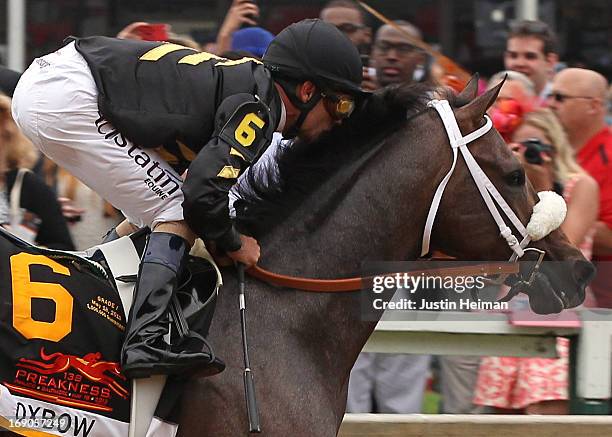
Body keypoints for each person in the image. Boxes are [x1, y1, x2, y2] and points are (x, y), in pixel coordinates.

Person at [11, 19, 367, 378]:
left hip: (55, 83)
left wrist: (213, 232)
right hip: (67, 93)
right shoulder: (260, 110)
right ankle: (144, 340)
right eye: (342, 106)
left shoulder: (245, 87)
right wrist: (233, 241)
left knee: (152, 206)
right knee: (176, 206)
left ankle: (91, 297)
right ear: (307, 91)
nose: (340, 121)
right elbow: (201, 195)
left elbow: (195, 187)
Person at [474, 108, 599, 414]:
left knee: (544, 414)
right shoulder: (507, 198)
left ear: (554, 149)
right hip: (511, 313)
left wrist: (544, 192)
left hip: (558, 313)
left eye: (535, 146)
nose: (527, 155)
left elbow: (559, 256)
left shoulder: (581, 186)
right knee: (500, 419)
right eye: (519, 148)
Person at [547, 68, 612, 307]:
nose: (550, 104)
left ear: (594, 106)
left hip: (602, 310)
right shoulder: (549, 150)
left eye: (560, 98)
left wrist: (569, 223)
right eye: (550, 96)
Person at [0, 93, 76, 250]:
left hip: (18, 272)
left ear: (8, 139)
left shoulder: (29, 186)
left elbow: (63, 248)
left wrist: (26, 250)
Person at [504, 20, 559, 104]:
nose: (520, 63)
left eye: (530, 56)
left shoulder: (559, 105)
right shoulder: (493, 105)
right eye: (513, 56)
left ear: (550, 62)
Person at [370, 20, 430, 89]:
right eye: (384, 48)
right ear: (372, 53)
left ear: (421, 59)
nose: (391, 57)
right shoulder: (358, 96)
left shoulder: (432, 98)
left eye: (403, 49)